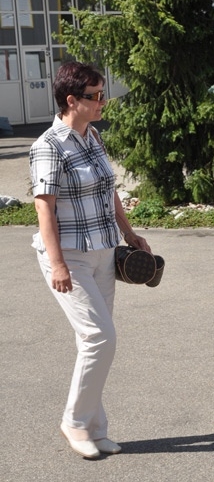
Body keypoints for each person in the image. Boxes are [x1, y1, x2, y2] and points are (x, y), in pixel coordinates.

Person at [30, 61, 152, 459]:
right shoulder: (48, 145)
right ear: (71, 100)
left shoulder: (92, 136)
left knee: (94, 341)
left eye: (103, 94)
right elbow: (44, 208)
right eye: (95, 96)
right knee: (100, 337)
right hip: (70, 257)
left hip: (104, 250)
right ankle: (75, 422)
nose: (103, 101)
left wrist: (129, 232)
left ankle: (96, 429)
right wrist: (57, 263)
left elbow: (108, 189)